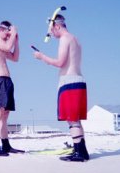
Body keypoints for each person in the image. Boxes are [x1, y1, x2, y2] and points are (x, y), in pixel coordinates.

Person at [33, 14, 89, 162]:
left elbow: (60, 63)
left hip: (69, 82)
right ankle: (81, 151)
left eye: (52, 30)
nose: (51, 34)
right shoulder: (75, 39)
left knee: (72, 120)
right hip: (79, 80)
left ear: (57, 26)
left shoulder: (65, 39)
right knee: (76, 119)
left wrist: (41, 57)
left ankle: (79, 153)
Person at [0, 20, 24, 156]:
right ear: (0, 30)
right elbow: (8, 48)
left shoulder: (3, 47)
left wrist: (16, 41)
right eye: (7, 33)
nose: (9, 35)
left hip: (7, 81)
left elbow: (15, 58)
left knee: (5, 115)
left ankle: (6, 145)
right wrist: (13, 33)